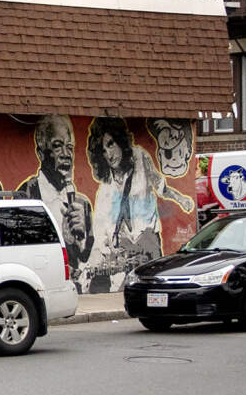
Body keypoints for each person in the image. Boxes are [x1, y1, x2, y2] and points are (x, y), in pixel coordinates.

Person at [81, 117, 196, 292]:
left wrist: (181, 199)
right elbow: (100, 232)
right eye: (103, 150)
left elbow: (160, 186)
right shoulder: (105, 188)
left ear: (120, 140)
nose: (109, 154)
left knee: (156, 286)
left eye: (110, 144)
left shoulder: (140, 157)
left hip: (148, 239)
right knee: (134, 289)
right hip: (126, 251)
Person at [16, 115, 94, 276]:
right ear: (41, 153)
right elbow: (20, 247)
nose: (66, 154)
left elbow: (85, 256)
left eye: (70, 147)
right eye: (57, 146)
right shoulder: (27, 194)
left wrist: (81, 238)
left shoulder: (81, 203)